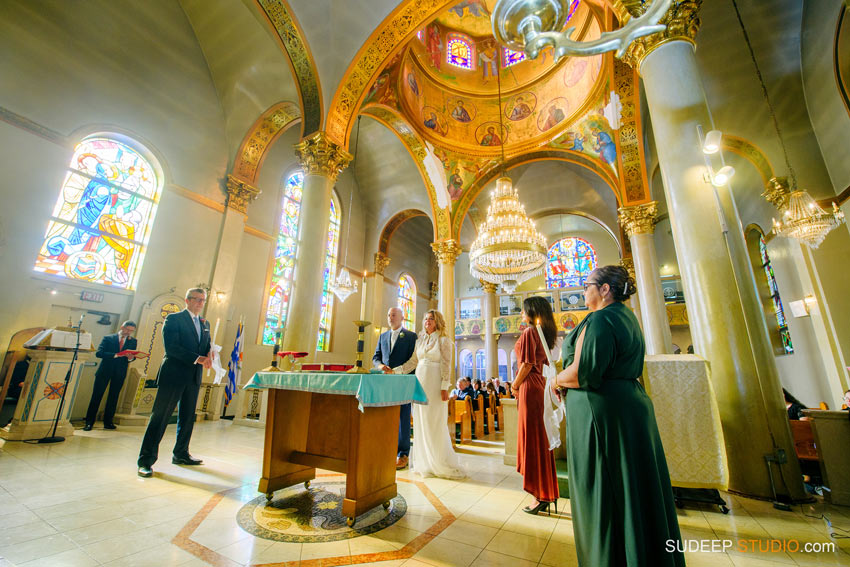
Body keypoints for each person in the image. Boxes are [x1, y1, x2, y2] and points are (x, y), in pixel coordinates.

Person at [554, 265, 684, 566]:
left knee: (606, 491)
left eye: (587, 285)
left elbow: (585, 372)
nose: (583, 291)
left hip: (604, 415)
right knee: (633, 491)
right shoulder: (627, 318)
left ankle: (610, 557)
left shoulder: (600, 319)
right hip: (628, 409)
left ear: (604, 290)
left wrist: (556, 380)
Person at [137, 288, 212, 478]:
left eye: (202, 300)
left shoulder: (205, 323)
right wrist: (198, 358)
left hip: (193, 376)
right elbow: (171, 348)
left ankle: (181, 454)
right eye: (196, 299)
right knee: (160, 417)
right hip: (174, 374)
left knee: (187, 418)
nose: (200, 303)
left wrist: (211, 353)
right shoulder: (174, 319)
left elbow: (205, 345)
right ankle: (146, 460)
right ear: (187, 300)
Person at [393, 310, 464, 479]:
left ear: (437, 321)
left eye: (431, 319)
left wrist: (444, 386)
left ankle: (438, 461)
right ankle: (423, 463)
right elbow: (413, 362)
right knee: (420, 421)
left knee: (434, 422)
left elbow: (446, 365)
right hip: (420, 382)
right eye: (425, 318)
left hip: (435, 384)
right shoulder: (421, 340)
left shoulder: (444, 341)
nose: (427, 321)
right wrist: (395, 371)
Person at [514, 296, 560, 515]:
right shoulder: (542, 334)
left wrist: (514, 385)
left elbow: (527, 364)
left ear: (532, 312)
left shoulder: (530, 332)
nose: (521, 314)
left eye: (523, 310)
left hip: (529, 386)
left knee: (532, 439)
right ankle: (545, 491)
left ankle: (540, 494)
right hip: (537, 385)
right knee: (538, 439)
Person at [373, 307, 418, 469]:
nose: (390, 317)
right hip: (385, 382)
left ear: (402, 317)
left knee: (403, 418)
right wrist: (380, 366)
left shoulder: (411, 336)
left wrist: (397, 371)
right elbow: (376, 357)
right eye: (388, 315)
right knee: (385, 414)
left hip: (402, 381)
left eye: (393, 315)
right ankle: (386, 449)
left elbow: (413, 361)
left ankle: (403, 453)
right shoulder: (383, 336)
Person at [83, 320, 141, 431]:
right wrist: (116, 355)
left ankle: (108, 422)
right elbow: (99, 353)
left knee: (113, 398)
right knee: (96, 396)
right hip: (105, 371)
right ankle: (89, 422)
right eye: (127, 330)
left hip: (120, 372)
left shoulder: (133, 341)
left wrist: (130, 358)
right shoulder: (108, 338)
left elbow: (132, 357)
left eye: (131, 331)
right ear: (122, 327)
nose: (129, 333)